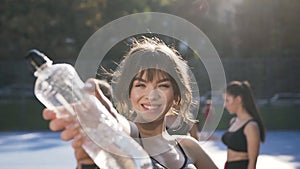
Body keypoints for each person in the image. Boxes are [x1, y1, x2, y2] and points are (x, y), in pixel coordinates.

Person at [43, 36, 217, 169]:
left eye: (163, 85)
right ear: (128, 93)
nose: (151, 95)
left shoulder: (189, 146)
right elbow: (119, 127)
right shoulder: (119, 146)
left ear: (176, 95)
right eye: (141, 85)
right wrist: (87, 164)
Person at [221, 81, 266, 169]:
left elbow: (252, 163)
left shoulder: (251, 126)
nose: (225, 105)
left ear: (238, 99)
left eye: (227, 100)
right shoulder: (233, 121)